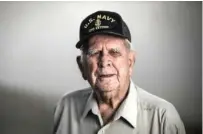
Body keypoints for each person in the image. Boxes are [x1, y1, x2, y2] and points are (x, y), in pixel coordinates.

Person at [53, 10, 186, 134]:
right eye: (95, 53)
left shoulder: (163, 117)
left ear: (130, 62)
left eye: (114, 52)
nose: (104, 61)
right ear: (82, 66)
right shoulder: (66, 107)